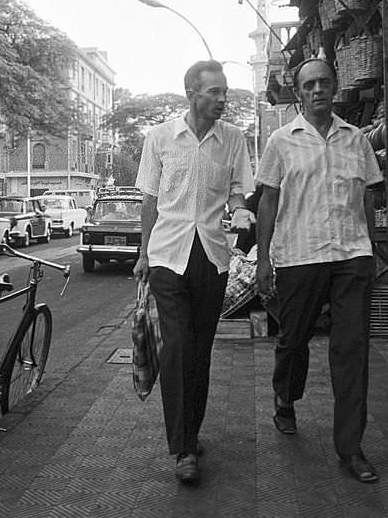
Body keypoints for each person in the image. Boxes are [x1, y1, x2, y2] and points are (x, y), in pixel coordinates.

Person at [254, 57, 384, 484]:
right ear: (299, 91)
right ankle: (286, 398)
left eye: (323, 82)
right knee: (293, 340)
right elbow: (268, 201)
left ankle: (351, 448)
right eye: (308, 84)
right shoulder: (280, 141)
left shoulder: (356, 140)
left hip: (351, 255)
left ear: (334, 86)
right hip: (300, 255)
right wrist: (264, 259)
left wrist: (376, 250)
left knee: (352, 350)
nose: (317, 90)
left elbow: (368, 197)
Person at [133, 59, 255, 484]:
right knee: (178, 346)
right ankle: (183, 449)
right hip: (168, 254)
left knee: (200, 350)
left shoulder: (233, 140)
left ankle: (191, 431)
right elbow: (149, 200)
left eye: (225, 91)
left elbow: (239, 192)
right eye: (215, 92)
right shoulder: (160, 137)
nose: (223, 99)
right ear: (192, 93)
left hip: (212, 256)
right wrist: (144, 254)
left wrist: (240, 212)